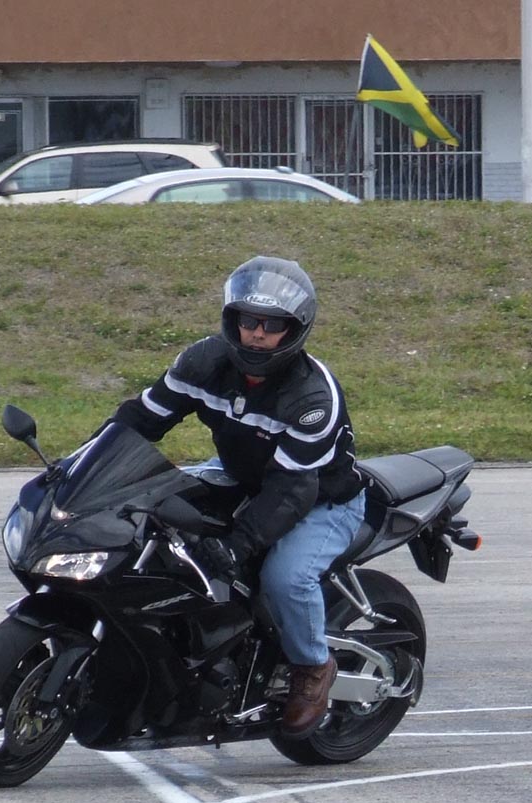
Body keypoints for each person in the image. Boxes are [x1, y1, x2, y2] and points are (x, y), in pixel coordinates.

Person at [108, 256, 366, 739]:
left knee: (284, 578)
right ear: (233, 319)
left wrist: (237, 544)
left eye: (272, 325)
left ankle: (313, 667)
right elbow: (139, 420)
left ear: (295, 330)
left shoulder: (312, 398)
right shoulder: (203, 362)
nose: (257, 335)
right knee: (153, 510)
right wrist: (78, 467)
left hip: (322, 499)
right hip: (243, 476)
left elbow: (293, 491)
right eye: (249, 320)